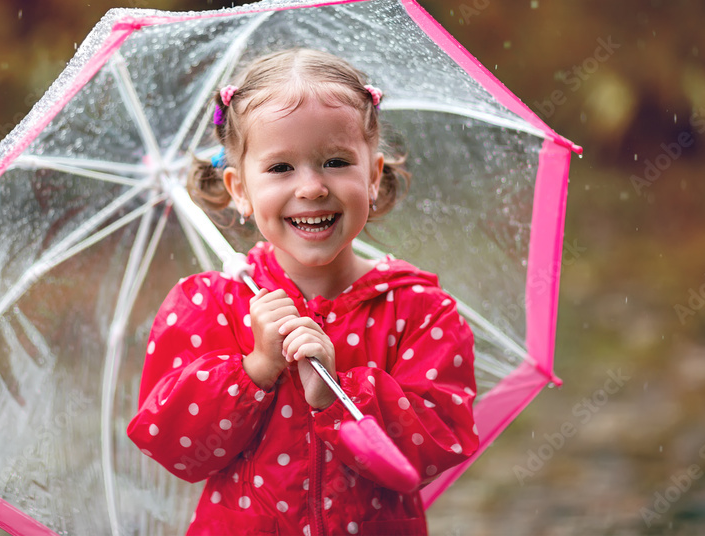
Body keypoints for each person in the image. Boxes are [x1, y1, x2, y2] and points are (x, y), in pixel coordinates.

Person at [127, 48, 478, 536]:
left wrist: (340, 394)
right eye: (280, 168)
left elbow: (439, 446)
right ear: (239, 189)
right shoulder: (209, 305)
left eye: (335, 161)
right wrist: (255, 369)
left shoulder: (418, 309)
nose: (311, 188)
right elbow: (174, 446)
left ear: (372, 177)